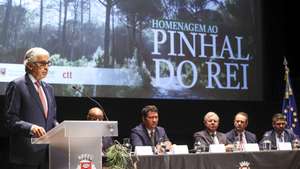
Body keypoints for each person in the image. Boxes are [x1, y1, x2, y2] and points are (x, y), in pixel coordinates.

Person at [4, 47, 57, 169]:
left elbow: (52, 119)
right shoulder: (17, 86)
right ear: (30, 65)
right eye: (42, 63)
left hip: (47, 157)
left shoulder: (49, 89)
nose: (46, 67)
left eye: (48, 63)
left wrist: (60, 128)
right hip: (25, 157)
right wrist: (31, 128)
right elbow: (10, 119)